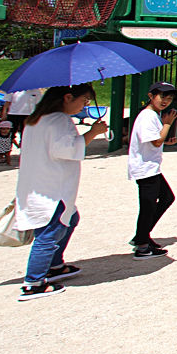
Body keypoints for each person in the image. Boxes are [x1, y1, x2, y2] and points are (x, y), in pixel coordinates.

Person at [13, 84, 108, 299]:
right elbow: (65, 150)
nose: (84, 105)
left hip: (39, 183)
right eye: (83, 100)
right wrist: (93, 133)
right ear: (67, 97)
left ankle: (55, 264)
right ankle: (34, 281)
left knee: (71, 218)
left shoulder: (36, 119)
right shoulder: (58, 120)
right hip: (52, 187)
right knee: (49, 232)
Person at [128, 81, 177, 257]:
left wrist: (166, 139)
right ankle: (141, 243)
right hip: (145, 168)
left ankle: (141, 235)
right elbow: (155, 141)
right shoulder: (147, 116)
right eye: (162, 96)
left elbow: (157, 140)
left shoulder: (153, 115)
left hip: (152, 167)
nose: (166, 100)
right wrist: (167, 124)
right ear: (151, 96)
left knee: (166, 197)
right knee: (148, 206)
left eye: (170, 98)